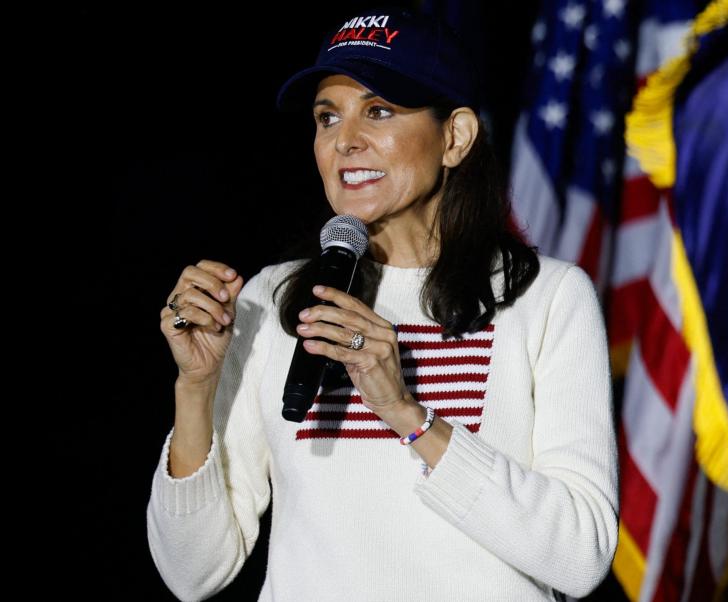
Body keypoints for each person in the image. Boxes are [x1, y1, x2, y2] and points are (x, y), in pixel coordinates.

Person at [147, 7, 619, 601]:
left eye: (379, 111)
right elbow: (192, 574)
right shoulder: (270, 299)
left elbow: (579, 557)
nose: (345, 141)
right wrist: (196, 387)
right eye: (326, 117)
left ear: (455, 137)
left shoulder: (546, 298)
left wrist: (404, 412)